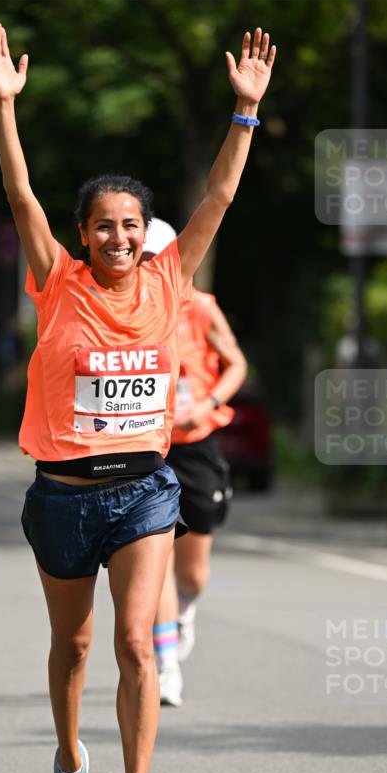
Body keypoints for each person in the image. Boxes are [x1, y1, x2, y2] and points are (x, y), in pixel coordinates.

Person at [0, 22, 276, 773]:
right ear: (84, 234)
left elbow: (217, 198)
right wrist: (5, 107)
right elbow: (20, 197)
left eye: (130, 226)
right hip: (63, 495)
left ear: (148, 235)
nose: (117, 237)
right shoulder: (57, 282)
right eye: (103, 225)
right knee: (72, 647)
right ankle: (71, 763)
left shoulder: (169, 279)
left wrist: (244, 114)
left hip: (145, 489)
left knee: (135, 644)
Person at [142, 221, 247, 706]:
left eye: (155, 258)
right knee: (155, 558)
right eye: (142, 259)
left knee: (193, 575)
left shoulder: (201, 308)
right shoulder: (124, 310)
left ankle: (184, 614)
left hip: (197, 443)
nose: (148, 268)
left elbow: (236, 364)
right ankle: (166, 665)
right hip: (147, 447)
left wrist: (207, 405)